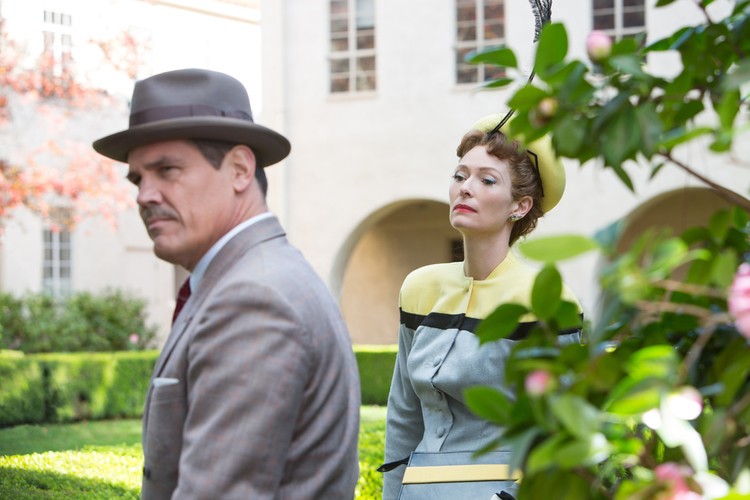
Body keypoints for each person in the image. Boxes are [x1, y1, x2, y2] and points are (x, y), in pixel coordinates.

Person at [92, 68, 361, 499]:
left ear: (239, 169)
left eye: (167, 170)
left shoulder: (254, 298)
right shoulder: (255, 278)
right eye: (139, 178)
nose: (144, 195)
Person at [381, 114, 583, 499]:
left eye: (487, 180)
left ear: (520, 206)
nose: (466, 188)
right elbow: (404, 416)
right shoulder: (419, 289)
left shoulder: (547, 300)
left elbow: (562, 435)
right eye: (460, 176)